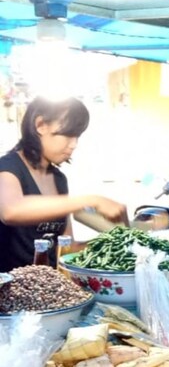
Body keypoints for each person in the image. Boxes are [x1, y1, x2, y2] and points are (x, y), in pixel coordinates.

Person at [0, 96, 128, 272]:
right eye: (68, 135)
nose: (74, 144)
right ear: (40, 125)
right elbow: (11, 210)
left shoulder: (59, 179)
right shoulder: (7, 168)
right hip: (12, 290)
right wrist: (91, 200)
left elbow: (67, 249)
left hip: (52, 287)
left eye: (77, 136)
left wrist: (117, 242)